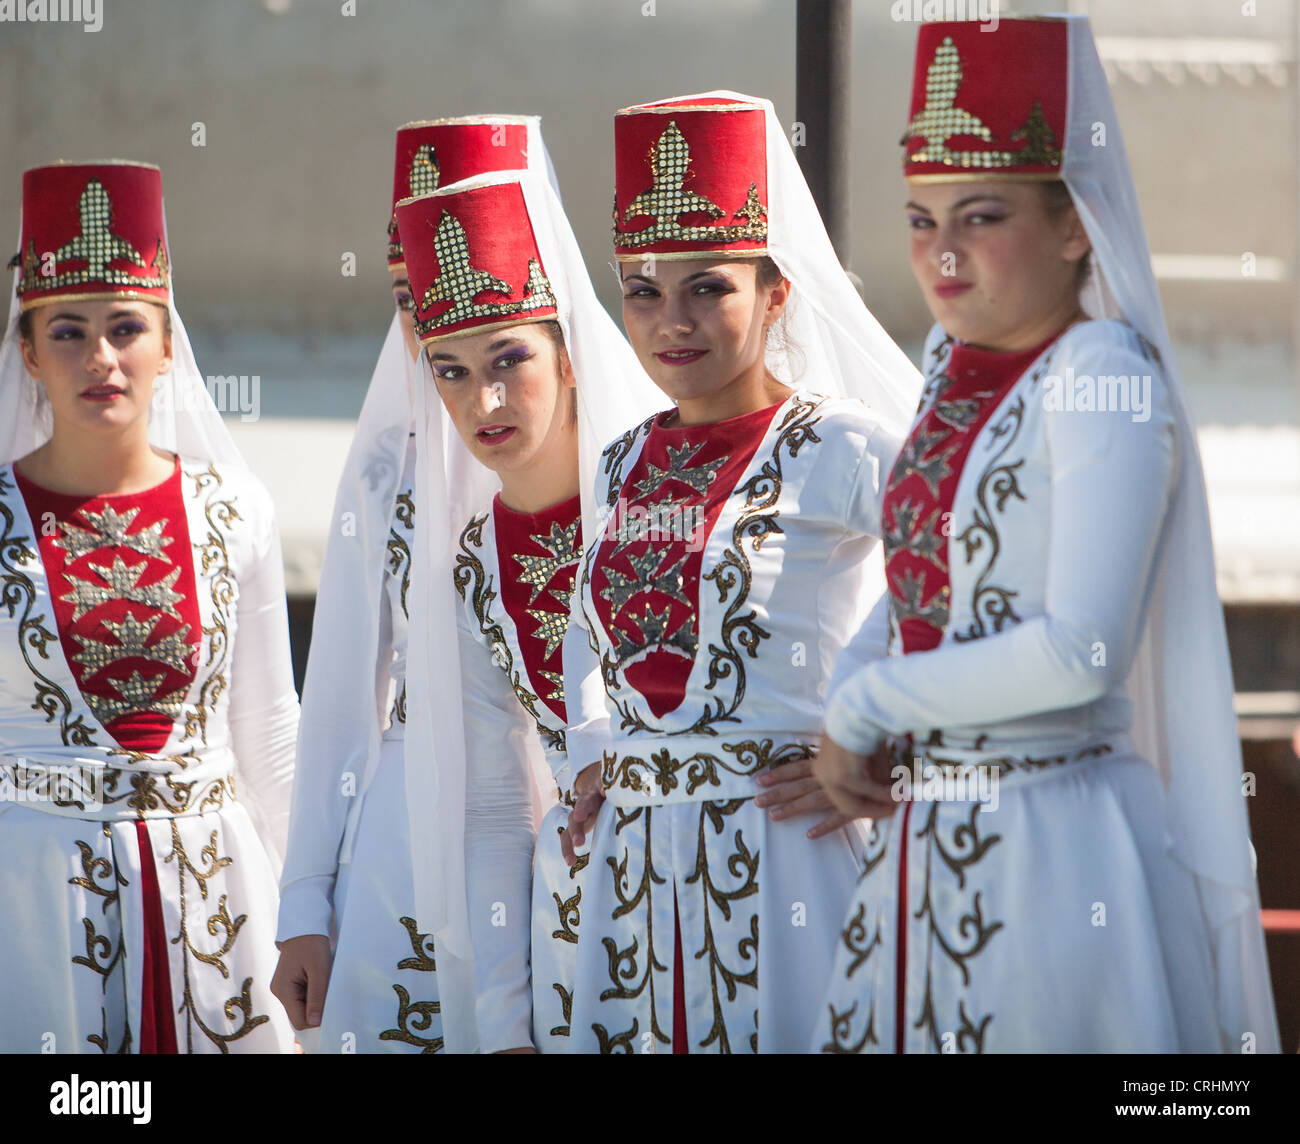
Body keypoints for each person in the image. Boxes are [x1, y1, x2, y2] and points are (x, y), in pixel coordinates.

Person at [814, 15, 1280, 1053]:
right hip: (920, 838)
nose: (941, 250)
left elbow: (1084, 649)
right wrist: (851, 682)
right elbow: (927, 577)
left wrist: (867, 703)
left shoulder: (1101, 375)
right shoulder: (943, 359)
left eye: (980, 216)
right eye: (920, 217)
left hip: (1045, 836)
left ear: (1075, 224)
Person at [559, 93, 921, 1053]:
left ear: (775, 293)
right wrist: (592, 746)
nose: (670, 320)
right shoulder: (619, 460)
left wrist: (886, 750)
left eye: (707, 287)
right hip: (635, 878)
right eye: (642, 289)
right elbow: (585, 630)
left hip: (790, 856)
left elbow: (969, 574)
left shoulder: (840, 444)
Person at [0, 160, 297, 1053]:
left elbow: (271, 731)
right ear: (27, 352)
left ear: (168, 345)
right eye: (69, 331)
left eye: (127, 328)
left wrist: (317, 905)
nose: (100, 358)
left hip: (218, 895)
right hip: (32, 902)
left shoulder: (236, 509)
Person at [271, 117, 551, 1054]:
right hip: (401, 842)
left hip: (572, 832)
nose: (434, 324)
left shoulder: (619, 459)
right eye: (408, 298)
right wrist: (305, 895)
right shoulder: (385, 467)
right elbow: (341, 692)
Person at [394, 169, 660, 1053]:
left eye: (511, 359)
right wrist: (507, 1025)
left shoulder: (665, 499)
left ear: (571, 353)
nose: (486, 401)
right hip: (580, 923)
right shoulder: (470, 561)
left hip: (742, 877)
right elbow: (494, 804)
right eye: (454, 372)